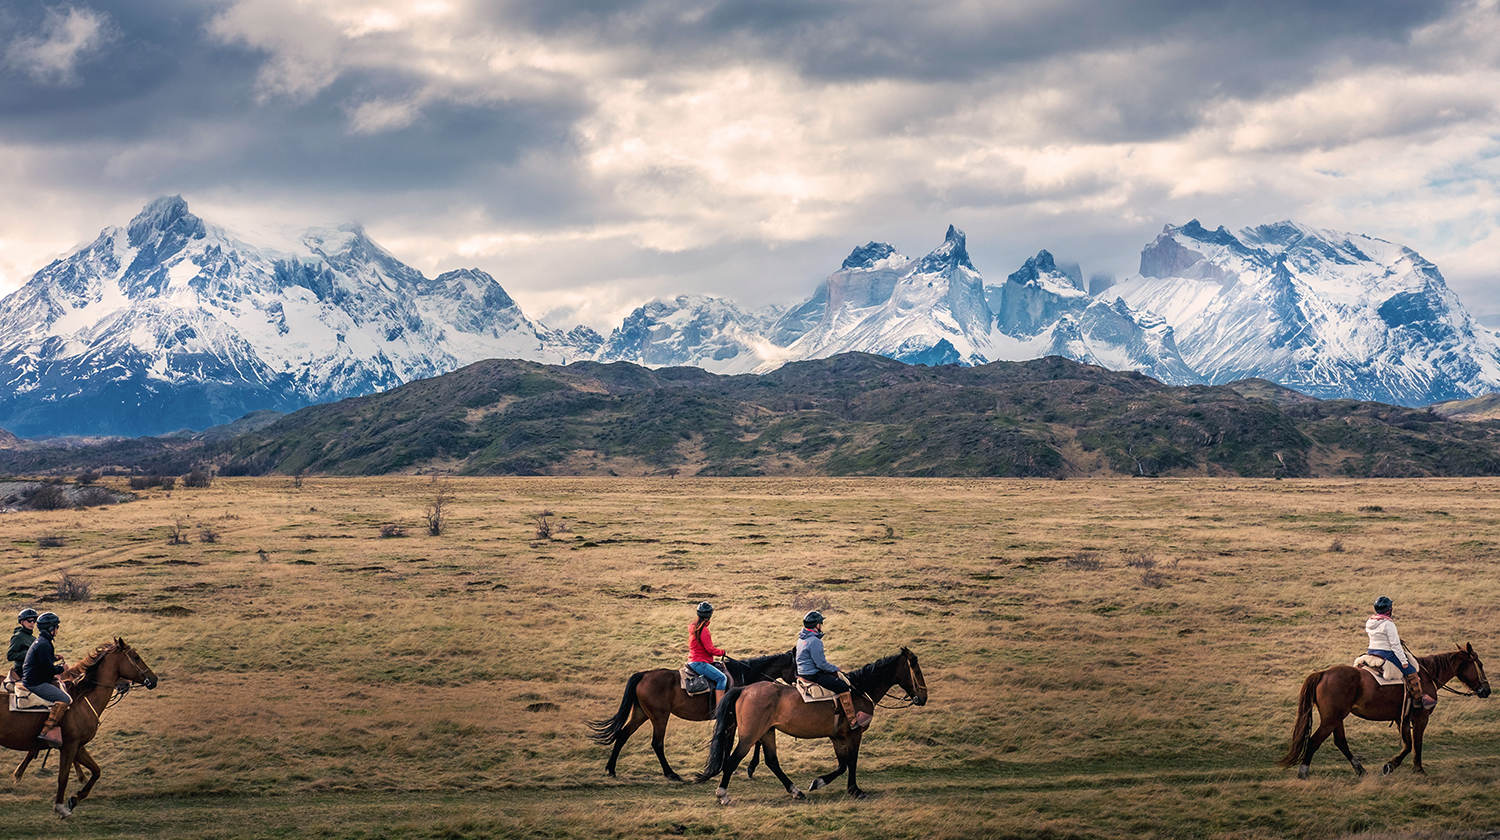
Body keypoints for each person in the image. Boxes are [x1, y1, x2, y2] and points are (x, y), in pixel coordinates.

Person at [796, 610, 872, 730]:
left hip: (802, 673)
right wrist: (835, 668)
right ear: (816, 625)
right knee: (843, 687)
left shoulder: (802, 638)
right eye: (820, 623)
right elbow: (821, 664)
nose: (821, 625)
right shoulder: (815, 641)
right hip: (813, 675)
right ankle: (852, 721)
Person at [1366, 596, 1435, 711]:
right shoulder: (1388, 624)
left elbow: (1380, 637)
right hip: (1386, 653)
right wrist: (1403, 662)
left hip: (1372, 651)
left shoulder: (1370, 621)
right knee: (1412, 671)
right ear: (1389, 610)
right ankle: (1418, 702)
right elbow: (1395, 646)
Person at [22, 612, 70, 747]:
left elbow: (43, 660)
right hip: (35, 683)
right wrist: (62, 669)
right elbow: (48, 669)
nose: (58, 630)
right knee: (65, 699)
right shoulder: (44, 644)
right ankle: (46, 731)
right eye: (57, 627)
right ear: (51, 628)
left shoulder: (42, 641)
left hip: (35, 678)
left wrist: (54, 658)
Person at [687, 602, 730, 710]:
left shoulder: (694, 627)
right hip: (699, 662)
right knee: (722, 678)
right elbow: (710, 649)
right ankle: (720, 708)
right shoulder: (703, 630)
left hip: (693, 660)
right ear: (710, 615)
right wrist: (722, 652)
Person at [7, 608, 38, 680]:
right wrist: (28, 653)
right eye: (29, 621)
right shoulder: (18, 636)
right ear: (22, 622)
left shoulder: (33, 638)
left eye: (34, 621)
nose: (32, 623)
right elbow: (10, 656)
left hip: (33, 668)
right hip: (23, 670)